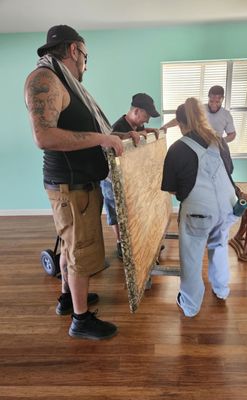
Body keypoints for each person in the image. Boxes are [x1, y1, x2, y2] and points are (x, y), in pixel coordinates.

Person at [24, 25, 141, 340]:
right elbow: (44, 136)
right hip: (71, 187)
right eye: (86, 57)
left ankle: (67, 298)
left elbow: (88, 130)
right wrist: (103, 137)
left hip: (77, 186)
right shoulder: (45, 79)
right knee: (80, 252)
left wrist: (121, 136)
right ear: (73, 50)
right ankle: (81, 319)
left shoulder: (63, 81)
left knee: (69, 247)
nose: (86, 65)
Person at [161, 97, 239, 317]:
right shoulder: (219, 140)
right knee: (220, 247)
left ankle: (190, 305)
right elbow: (229, 170)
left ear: (180, 123)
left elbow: (172, 190)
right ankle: (222, 290)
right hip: (227, 207)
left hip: (199, 213)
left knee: (192, 258)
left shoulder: (177, 149)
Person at [101, 93, 160, 259]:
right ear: (136, 111)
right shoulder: (118, 127)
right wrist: (125, 136)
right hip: (110, 179)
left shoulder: (137, 126)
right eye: (146, 116)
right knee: (115, 212)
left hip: (127, 177)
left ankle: (132, 240)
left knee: (129, 211)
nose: (147, 121)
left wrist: (146, 131)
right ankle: (121, 243)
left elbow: (140, 135)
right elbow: (110, 137)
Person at [161, 85, 236, 143]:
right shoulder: (200, 109)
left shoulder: (226, 115)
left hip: (216, 148)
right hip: (198, 145)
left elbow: (232, 134)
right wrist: (166, 126)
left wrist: (221, 141)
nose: (213, 105)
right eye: (211, 101)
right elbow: (181, 118)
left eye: (217, 102)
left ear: (222, 99)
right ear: (208, 97)